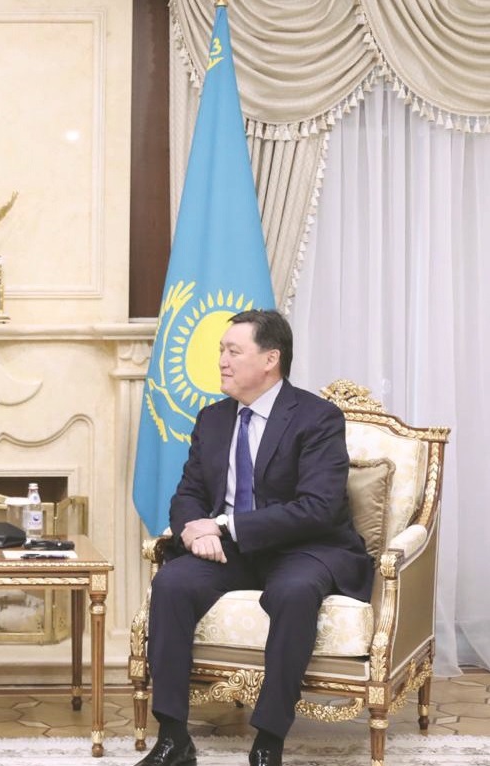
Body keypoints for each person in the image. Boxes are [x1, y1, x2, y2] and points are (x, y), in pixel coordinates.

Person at [135, 310, 373, 766]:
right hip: (233, 551)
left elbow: (318, 507)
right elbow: (188, 493)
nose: (221, 360)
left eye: (233, 351)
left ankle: (268, 742)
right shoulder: (213, 418)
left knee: (294, 592)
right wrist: (193, 531)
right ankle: (172, 737)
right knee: (172, 583)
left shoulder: (317, 418)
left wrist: (222, 526)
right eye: (222, 350)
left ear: (270, 360)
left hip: (305, 547)